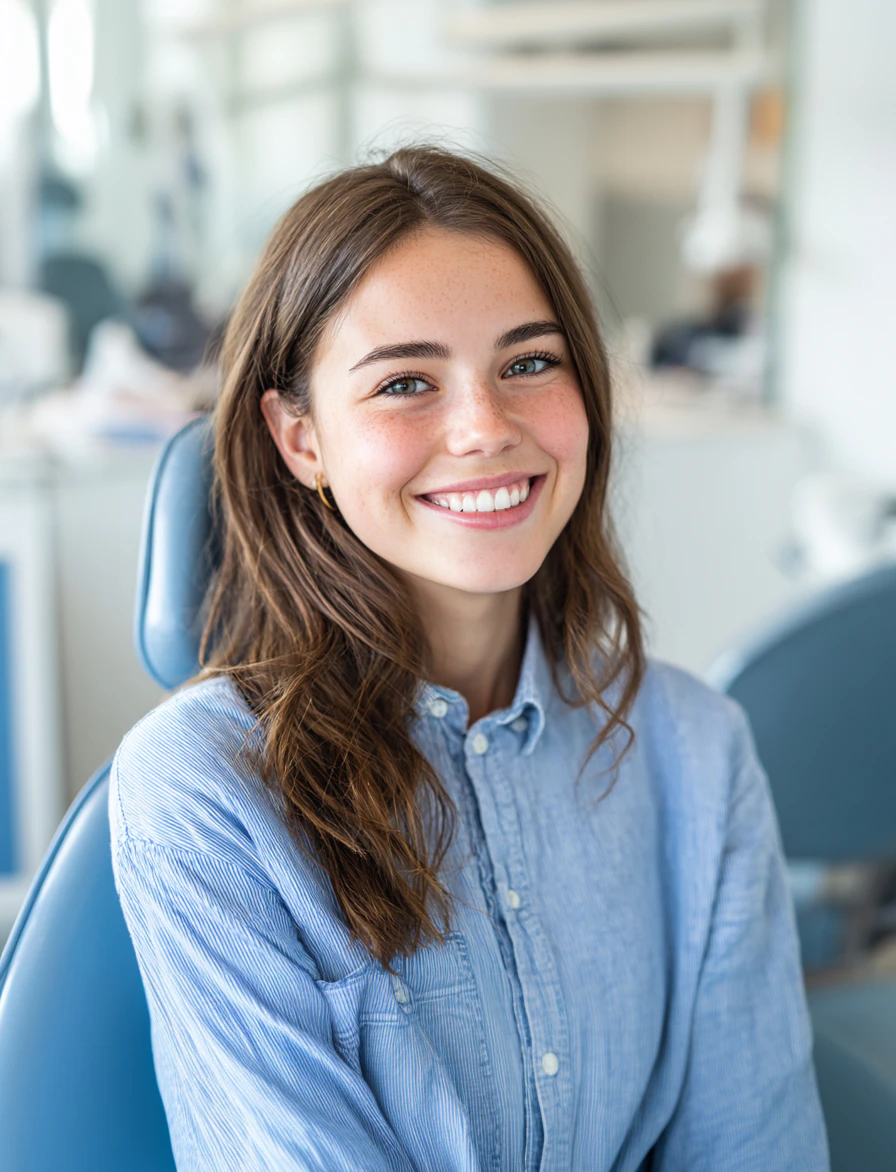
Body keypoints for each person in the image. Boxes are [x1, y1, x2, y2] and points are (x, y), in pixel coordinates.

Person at [109, 145, 830, 1172]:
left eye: (528, 363)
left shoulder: (694, 751)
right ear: (300, 437)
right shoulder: (201, 790)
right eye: (405, 381)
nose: (483, 427)